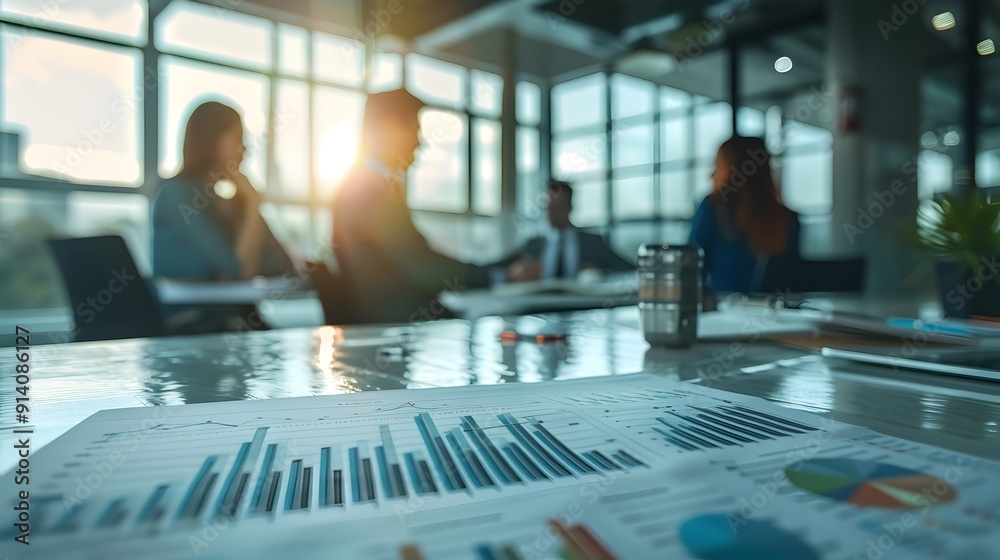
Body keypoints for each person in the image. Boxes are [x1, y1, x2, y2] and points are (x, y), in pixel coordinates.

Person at [332, 89, 483, 324]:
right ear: (387, 130)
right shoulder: (367, 193)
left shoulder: (370, 185)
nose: (420, 143)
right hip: (391, 329)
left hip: (394, 328)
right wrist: (494, 275)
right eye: (414, 129)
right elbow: (421, 266)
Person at [151, 101, 294, 329]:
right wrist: (253, 203)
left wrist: (250, 206)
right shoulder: (175, 195)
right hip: (194, 324)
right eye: (238, 139)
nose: (245, 149)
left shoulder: (232, 201)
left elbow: (284, 265)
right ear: (211, 141)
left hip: (238, 318)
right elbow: (242, 269)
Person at [688, 136, 800, 294]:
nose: (711, 175)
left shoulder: (713, 207)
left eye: (718, 165)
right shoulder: (787, 218)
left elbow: (689, 269)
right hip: (776, 312)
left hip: (724, 313)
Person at [505, 181, 633, 282]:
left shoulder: (594, 243)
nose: (551, 214)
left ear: (570, 207)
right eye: (548, 208)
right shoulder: (533, 245)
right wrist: (511, 275)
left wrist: (599, 274)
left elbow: (628, 269)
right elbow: (499, 267)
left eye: (558, 208)